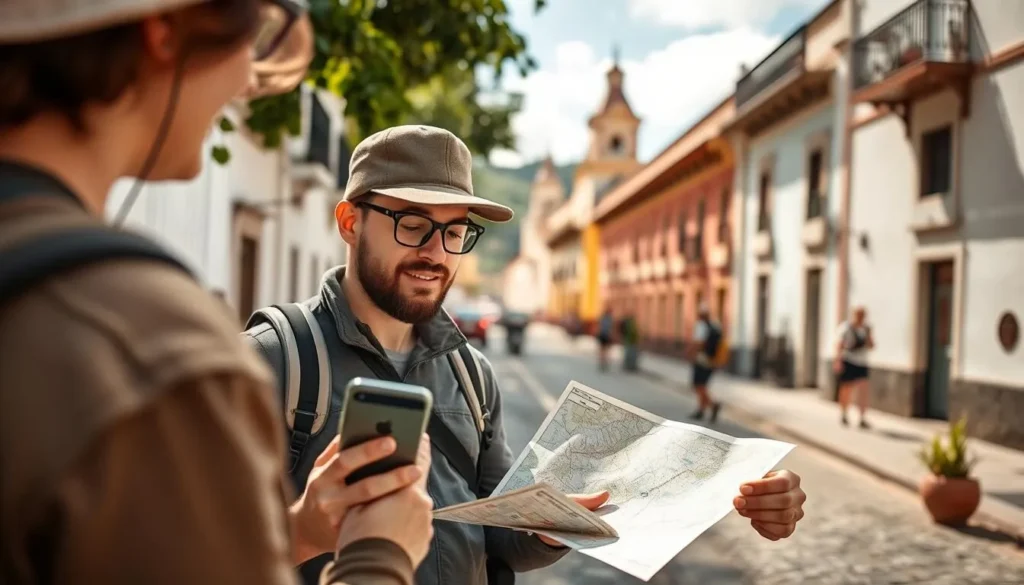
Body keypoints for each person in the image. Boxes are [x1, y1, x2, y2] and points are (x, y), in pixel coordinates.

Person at [244, 125, 810, 585]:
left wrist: (552, 524)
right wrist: (308, 532)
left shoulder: (471, 374)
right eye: (413, 225)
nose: (435, 254)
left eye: (454, 233)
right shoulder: (274, 362)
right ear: (349, 222)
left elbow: (500, 538)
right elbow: (180, 558)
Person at [0, 2, 434, 584]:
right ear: (163, 33)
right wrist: (379, 551)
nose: (247, 82)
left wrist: (300, 530)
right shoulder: (154, 346)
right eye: (247, 39)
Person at [834, 306, 875, 428]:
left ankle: (862, 417)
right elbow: (839, 345)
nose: (861, 318)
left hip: (862, 362)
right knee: (846, 388)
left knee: (863, 390)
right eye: (859, 315)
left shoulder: (866, 329)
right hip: (848, 360)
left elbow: (871, 345)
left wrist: (869, 336)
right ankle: (844, 413)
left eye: (863, 315)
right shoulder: (846, 328)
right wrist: (838, 360)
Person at [689, 303, 724, 423]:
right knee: (702, 384)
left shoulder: (701, 326)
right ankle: (701, 410)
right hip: (712, 360)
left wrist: (691, 353)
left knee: (698, 385)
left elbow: (699, 342)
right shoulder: (715, 325)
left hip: (702, 359)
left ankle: (713, 405)